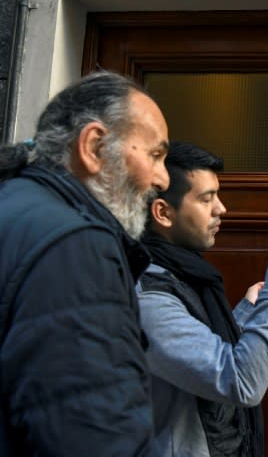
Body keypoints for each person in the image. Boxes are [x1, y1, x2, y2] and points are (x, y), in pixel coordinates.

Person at [0, 71, 170, 455]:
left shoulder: (17, 207)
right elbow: (95, 434)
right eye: (156, 155)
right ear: (93, 147)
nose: (161, 178)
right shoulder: (75, 245)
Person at [136, 141, 268, 457]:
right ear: (163, 212)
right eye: (207, 198)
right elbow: (240, 381)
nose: (221, 208)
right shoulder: (148, 294)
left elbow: (202, 358)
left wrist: (247, 313)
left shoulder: (180, 274)